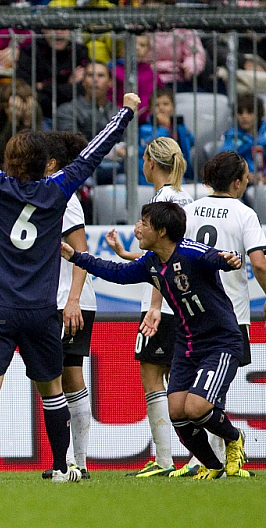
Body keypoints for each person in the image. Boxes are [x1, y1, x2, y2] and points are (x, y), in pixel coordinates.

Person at [0, 81, 140, 484]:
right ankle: (60, 466)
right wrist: (125, 112)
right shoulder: (57, 191)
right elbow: (91, 156)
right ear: (46, 164)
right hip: (41, 310)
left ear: (8, 161)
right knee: (52, 392)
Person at [62, 201, 248, 480]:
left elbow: (216, 257)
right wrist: (77, 256)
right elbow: (115, 273)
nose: (138, 228)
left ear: (161, 231)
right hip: (188, 344)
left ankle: (234, 439)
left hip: (220, 342)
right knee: (177, 412)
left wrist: (231, 258)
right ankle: (213, 466)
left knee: (196, 408)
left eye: (144, 223)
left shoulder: (190, 253)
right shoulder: (151, 263)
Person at [106, 136, 193, 478]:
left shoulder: (162, 199)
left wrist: (155, 305)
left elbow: (163, 258)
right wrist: (125, 255)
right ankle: (204, 456)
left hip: (162, 302)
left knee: (152, 375)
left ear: (151, 163)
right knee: (182, 378)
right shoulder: (186, 196)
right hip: (183, 301)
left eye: (143, 160)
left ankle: (166, 458)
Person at [178, 150, 266, 478]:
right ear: (236, 182)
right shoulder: (244, 214)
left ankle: (211, 459)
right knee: (216, 388)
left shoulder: (187, 212)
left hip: (191, 314)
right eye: (244, 177)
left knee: (196, 391)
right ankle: (221, 455)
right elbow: (259, 262)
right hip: (230, 315)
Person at [37, 131, 96, 481]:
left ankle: (79, 462)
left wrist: (73, 299)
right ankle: (71, 460)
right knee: (57, 379)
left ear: (52, 164)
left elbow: (81, 252)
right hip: (56, 299)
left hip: (69, 300)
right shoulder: (48, 194)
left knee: (68, 377)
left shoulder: (65, 198)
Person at [56, 61, 125, 185]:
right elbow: (72, 147)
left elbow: (128, 144)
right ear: (83, 82)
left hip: (117, 169)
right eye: (90, 75)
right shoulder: (67, 110)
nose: (95, 80)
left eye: (101, 75)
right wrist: (111, 152)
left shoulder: (119, 112)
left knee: (125, 180)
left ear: (110, 82)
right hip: (82, 170)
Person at [15, 29, 90, 121]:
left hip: (73, 115)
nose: (58, 32)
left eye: (63, 28)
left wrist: (43, 86)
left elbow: (82, 90)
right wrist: (68, 85)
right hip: (40, 115)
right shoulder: (29, 51)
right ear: (43, 30)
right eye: (53, 28)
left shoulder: (80, 51)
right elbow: (25, 88)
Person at [0, 79, 42, 169]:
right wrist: (13, 122)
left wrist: (27, 123)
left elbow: (37, 151)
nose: (21, 111)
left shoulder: (32, 109)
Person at [138, 88, 195, 185]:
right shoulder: (145, 129)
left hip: (179, 172)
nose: (161, 108)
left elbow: (190, 142)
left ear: (173, 107)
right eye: (156, 105)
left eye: (165, 104)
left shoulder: (179, 127)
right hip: (152, 176)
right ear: (150, 110)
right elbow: (152, 147)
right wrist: (164, 128)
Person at [218, 93, 266, 175]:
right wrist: (245, 176)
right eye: (240, 113)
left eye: (250, 112)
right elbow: (223, 163)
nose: (244, 116)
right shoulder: (232, 138)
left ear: (259, 114)